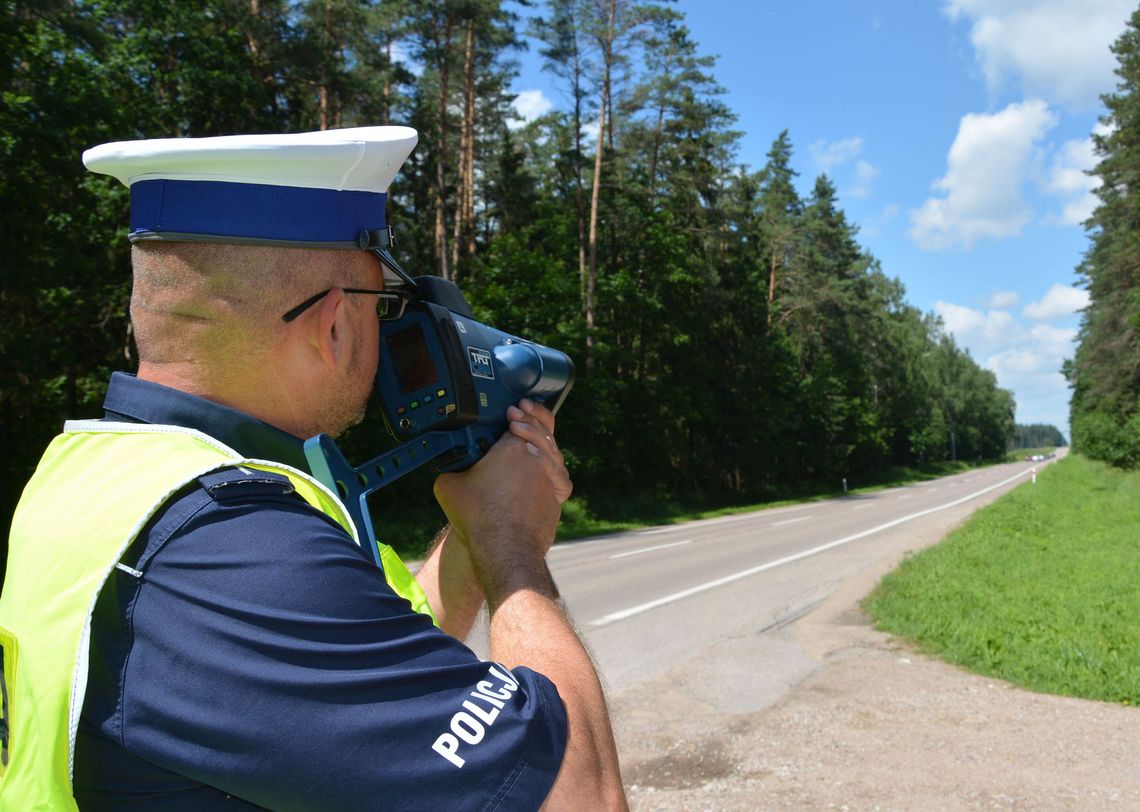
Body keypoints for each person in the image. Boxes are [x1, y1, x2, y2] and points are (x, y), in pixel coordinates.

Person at [0, 126, 626, 810]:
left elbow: (377, 661)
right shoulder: (231, 549)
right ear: (333, 324)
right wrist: (513, 544)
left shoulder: (96, 475)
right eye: (381, 307)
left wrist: (477, 513)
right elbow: (576, 794)